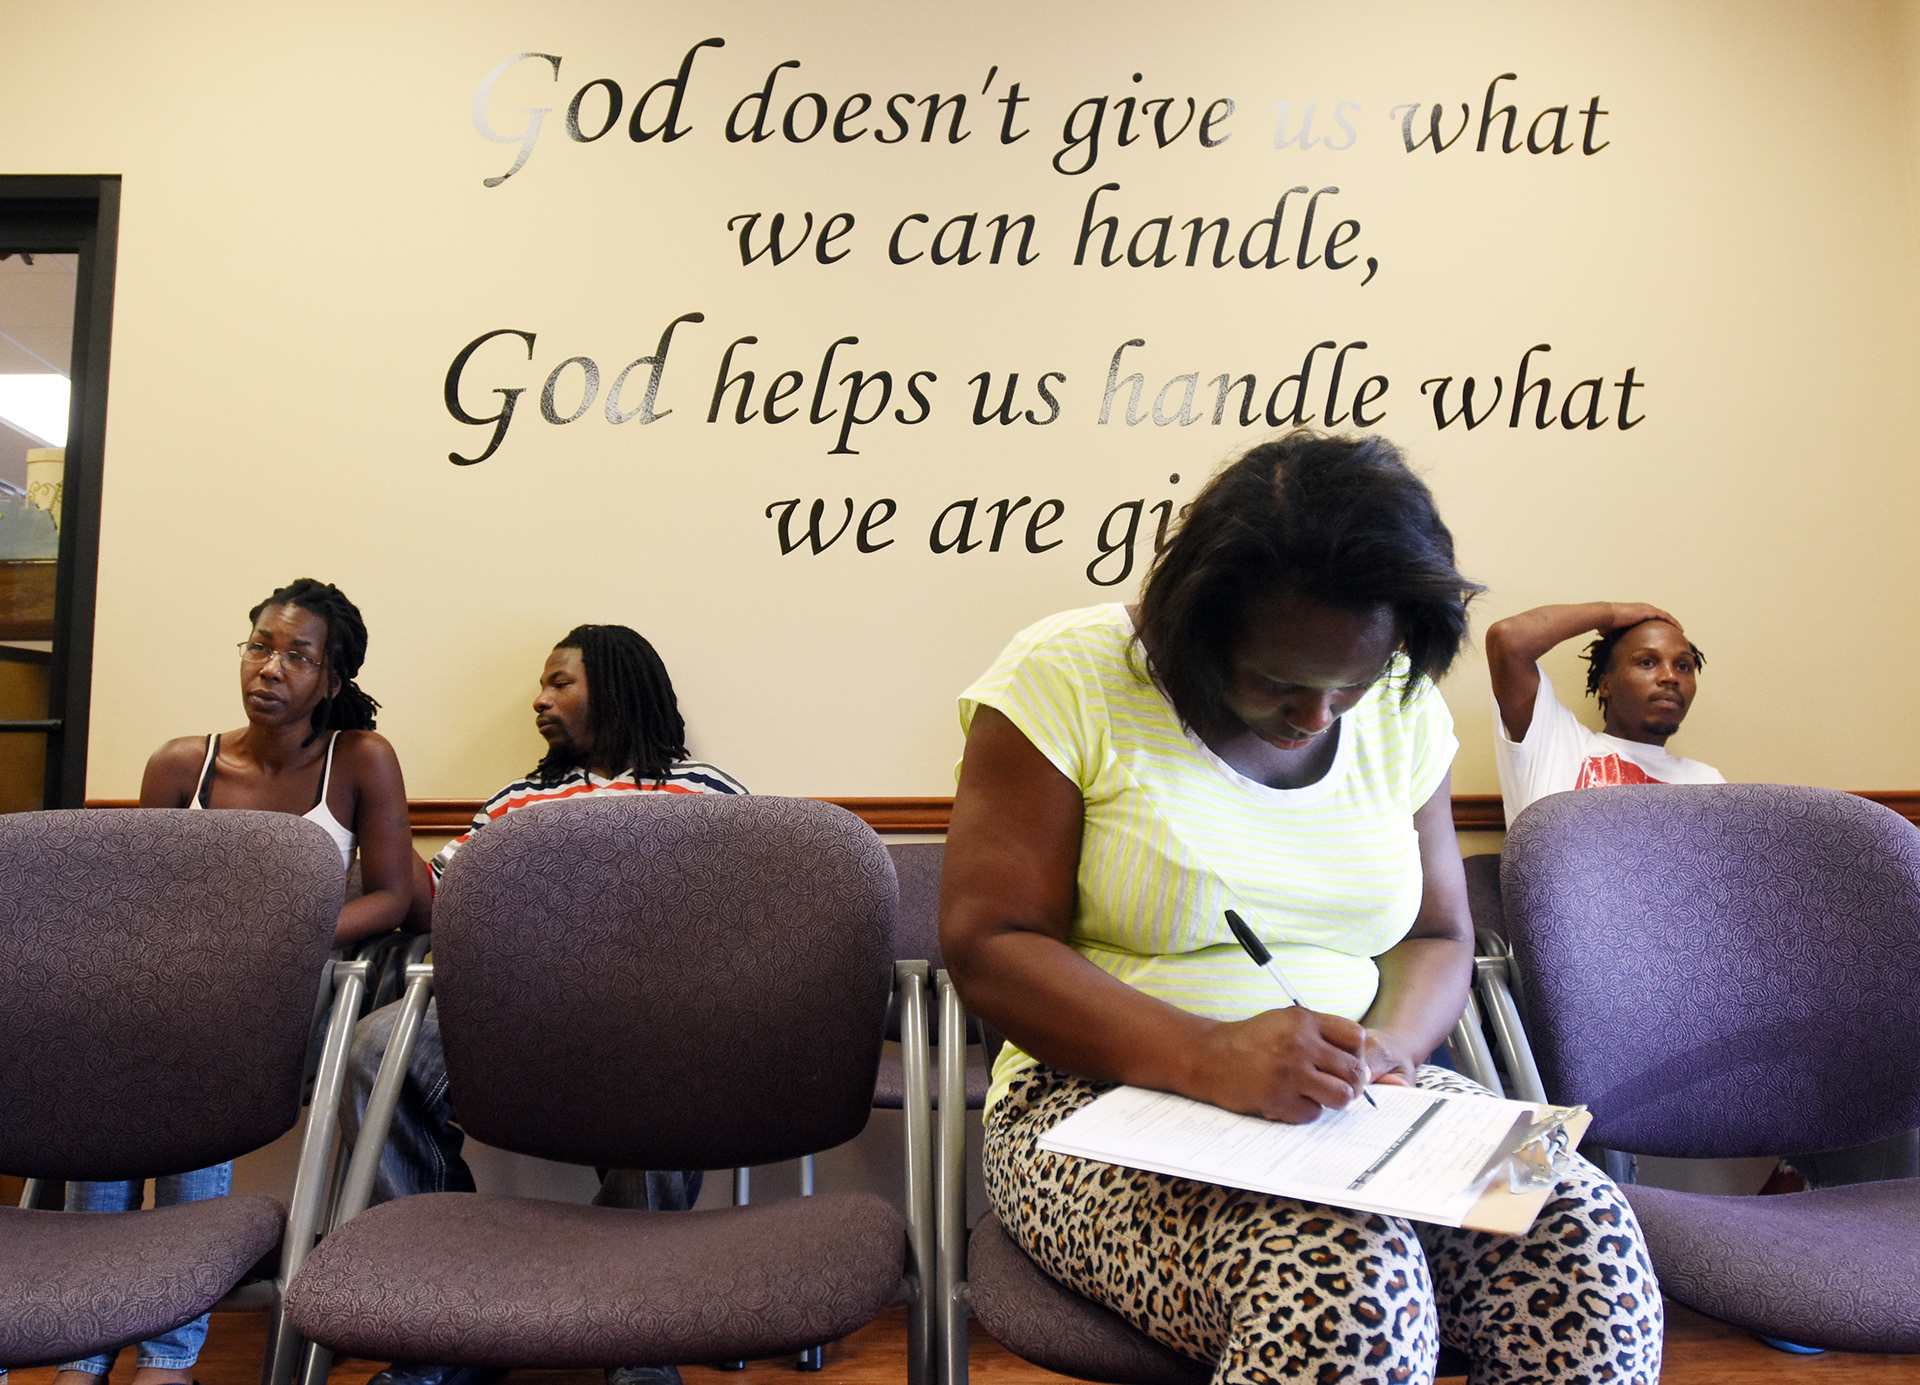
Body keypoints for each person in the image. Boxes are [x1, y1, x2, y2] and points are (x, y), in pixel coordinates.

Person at [941, 432, 1663, 1384]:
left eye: (1350, 685)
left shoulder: (1403, 706)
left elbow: (1438, 931)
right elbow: (989, 942)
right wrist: (1206, 1054)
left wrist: (1395, 1046)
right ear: (1193, 627)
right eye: (1279, 682)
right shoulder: (1068, 673)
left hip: (1355, 1098)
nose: (1317, 716)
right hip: (1092, 1097)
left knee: (1586, 1233)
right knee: (1345, 1286)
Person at [344, 623, 745, 1385]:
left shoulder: (706, 793)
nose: (539, 697)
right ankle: (451, 1325)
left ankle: (637, 1335)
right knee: (374, 1052)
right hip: (513, 1015)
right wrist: (381, 847)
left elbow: (741, 921)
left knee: (673, 1064)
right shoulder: (517, 802)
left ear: (619, 688)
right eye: (542, 682)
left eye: (561, 681)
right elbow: (446, 903)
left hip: (649, 1021)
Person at [49, 578, 413, 1385]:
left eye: (297, 655)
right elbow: (137, 901)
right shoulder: (183, 762)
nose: (270, 668)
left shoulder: (360, 758)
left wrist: (275, 939)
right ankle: (82, 1338)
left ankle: (168, 1351)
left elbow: (391, 895)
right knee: (103, 1047)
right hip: (177, 994)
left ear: (333, 678)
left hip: (288, 999)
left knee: (202, 1045)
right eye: (259, 647)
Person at [1486, 601, 1720, 824]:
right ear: (1606, 685)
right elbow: (1507, 639)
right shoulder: (1558, 744)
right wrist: (1611, 613)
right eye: (1647, 662)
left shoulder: (1707, 782)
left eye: (1683, 666)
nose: (1670, 677)